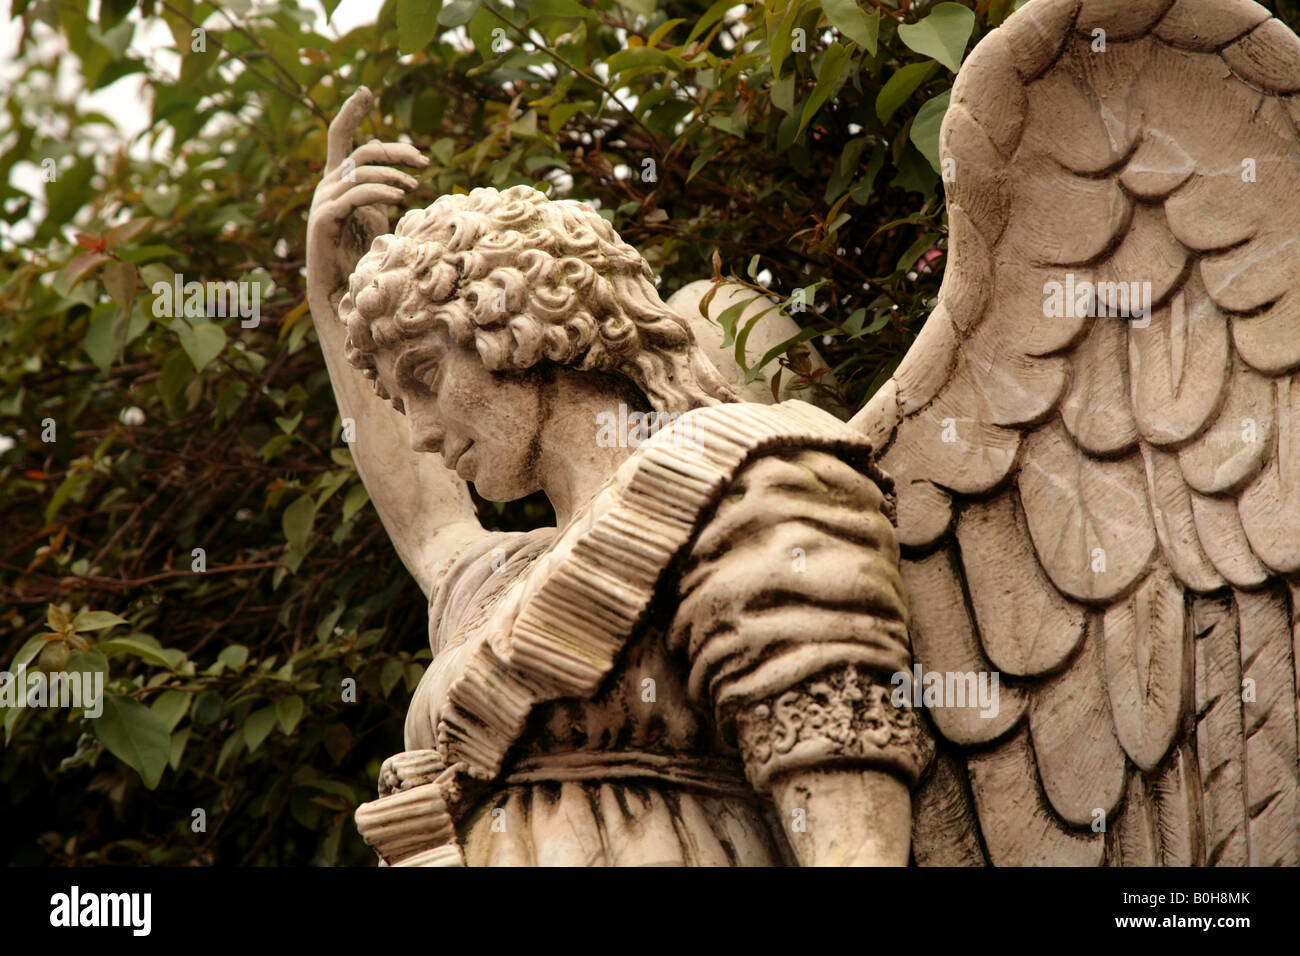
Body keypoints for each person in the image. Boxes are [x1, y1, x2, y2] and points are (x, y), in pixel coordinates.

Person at [306, 89, 926, 866]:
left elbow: (851, 826)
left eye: (427, 375)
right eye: (400, 401)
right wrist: (326, 288)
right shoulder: (501, 582)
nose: (423, 432)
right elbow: (430, 524)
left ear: (519, 321)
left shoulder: (738, 487)